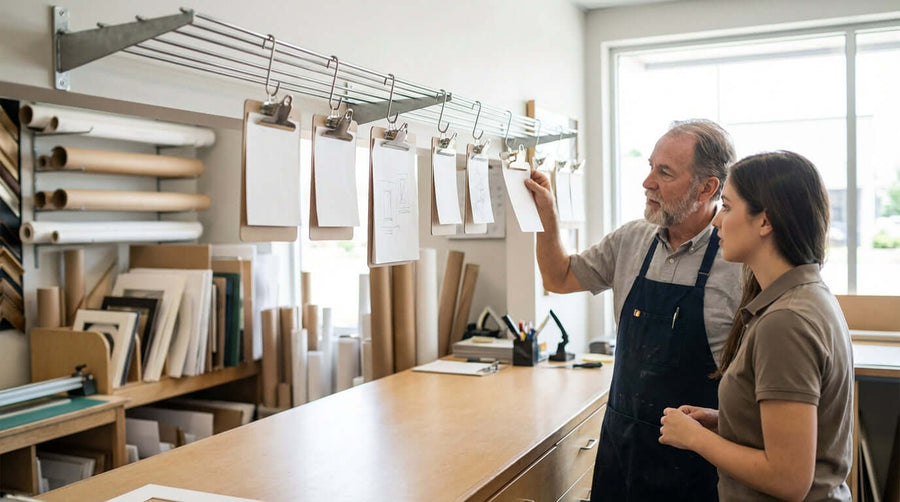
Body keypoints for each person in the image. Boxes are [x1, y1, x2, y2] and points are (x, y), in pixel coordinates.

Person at [525, 119, 742, 501]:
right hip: (622, 451)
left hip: (696, 465)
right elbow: (558, 278)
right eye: (650, 167)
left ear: (708, 187)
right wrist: (547, 218)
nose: (648, 183)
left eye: (665, 172)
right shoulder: (631, 240)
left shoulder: (739, 260)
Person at [658, 151, 853, 501]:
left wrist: (695, 438)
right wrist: (725, 420)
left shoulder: (786, 322)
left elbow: (788, 479)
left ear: (765, 222)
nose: (717, 221)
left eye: (728, 207)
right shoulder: (804, 295)